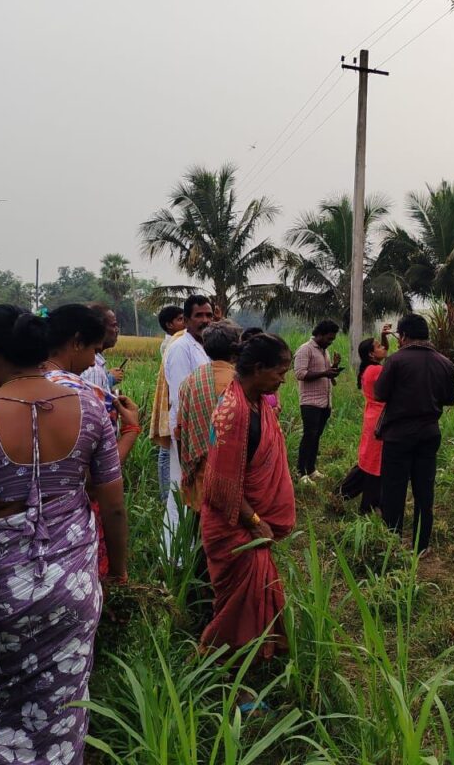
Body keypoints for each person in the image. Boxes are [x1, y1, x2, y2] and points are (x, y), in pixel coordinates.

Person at [0, 304, 128, 763]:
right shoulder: (92, 408)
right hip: (73, 588)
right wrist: (117, 572)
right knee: (61, 708)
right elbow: (114, 506)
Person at [200, 333, 296, 696]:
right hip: (234, 527)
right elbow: (220, 486)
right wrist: (255, 523)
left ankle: (247, 668)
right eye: (280, 372)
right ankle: (222, 675)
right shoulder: (234, 410)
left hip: (249, 524)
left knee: (252, 600)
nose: (283, 379)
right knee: (235, 609)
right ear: (258, 368)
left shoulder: (257, 403)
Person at [41, 303, 143, 577]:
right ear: (76, 343)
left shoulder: (20, 386)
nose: (92, 363)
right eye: (94, 352)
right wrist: (131, 430)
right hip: (71, 531)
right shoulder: (86, 396)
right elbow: (99, 480)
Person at [374, 313, 454, 555]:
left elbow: (380, 394)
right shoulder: (445, 362)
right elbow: (449, 399)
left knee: (393, 490)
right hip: (429, 433)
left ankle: (392, 543)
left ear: (404, 336)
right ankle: (422, 545)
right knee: (424, 490)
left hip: (398, 435)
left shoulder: (396, 361)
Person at [162, 294, 214, 552]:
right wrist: (187, 437)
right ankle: (176, 554)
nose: (205, 320)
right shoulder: (180, 348)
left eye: (208, 315)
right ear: (186, 319)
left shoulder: (204, 346)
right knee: (182, 490)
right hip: (187, 430)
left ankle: (193, 549)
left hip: (204, 429)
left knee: (196, 491)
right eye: (199, 315)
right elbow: (181, 396)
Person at [177, 320, 242, 509]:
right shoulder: (240, 382)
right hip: (232, 470)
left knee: (201, 518)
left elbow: (180, 429)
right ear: (236, 348)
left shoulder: (190, 380)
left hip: (200, 468)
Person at [293, 320, 342, 482]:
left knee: (316, 437)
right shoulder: (305, 349)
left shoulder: (324, 351)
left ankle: (311, 469)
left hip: (324, 402)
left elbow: (326, 374)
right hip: (310, 403)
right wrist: (325, 373)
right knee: (309, 436)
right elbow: (300, 374)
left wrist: (334, 367)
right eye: (329, 338)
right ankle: (301, 472)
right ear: (319, 334)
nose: (330, 342)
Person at [355, 324, 393, 515]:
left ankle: (354, 495)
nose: (382, 348)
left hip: (373, 415)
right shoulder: (376, 370)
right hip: (380, 419)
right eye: (378, 346)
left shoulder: (369, 368)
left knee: (371, 459)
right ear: (371, 354)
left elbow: (385, 352)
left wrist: (384, 337)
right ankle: (369, 505)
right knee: (376, 463)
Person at [155, 305, 185, 501]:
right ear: (169, 325)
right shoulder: (172, 344)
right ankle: (166, 495)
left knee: (168, 450)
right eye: (181, 319)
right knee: (166, 451)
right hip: (171, 403)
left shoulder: (178, 341)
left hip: (173, 402)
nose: (185, 323)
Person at [80, 302, 123, 393]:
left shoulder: (92, 362)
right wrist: (110, 379)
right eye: (113, 325)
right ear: (99, 328)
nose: (117, 330)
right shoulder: (93, 369)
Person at [242, 327, 280, 415]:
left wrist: (278, 405)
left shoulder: (270, 361)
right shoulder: (244, 368)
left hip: (272, 409)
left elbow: (275, 385)